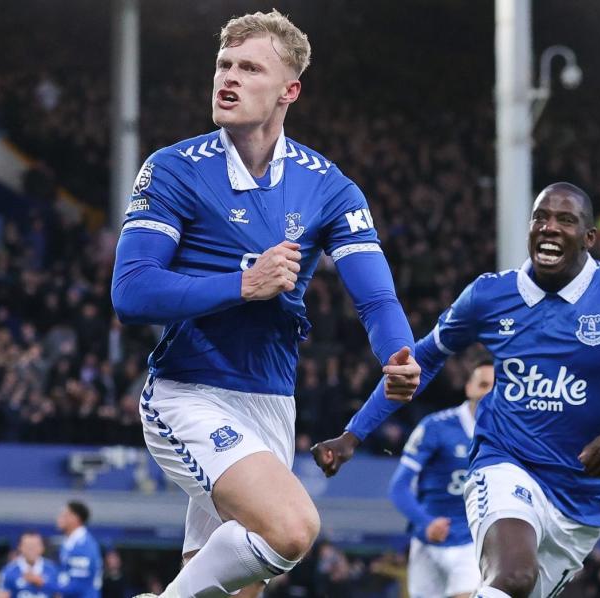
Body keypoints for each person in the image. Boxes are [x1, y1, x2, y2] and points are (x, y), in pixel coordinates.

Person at [112, 9, 421, 598]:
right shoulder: (175, 169)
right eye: (224, 64)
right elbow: (131, 293)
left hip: (272, 403)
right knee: (292, 528)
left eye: (249, 68)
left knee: (238, 588)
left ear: (289, 90)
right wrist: (241, 284)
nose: (228, 77)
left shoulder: (328, 185)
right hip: (190, 392)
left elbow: (376, 296)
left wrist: (397, 351)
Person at [312, 182, 600, 598]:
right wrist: (354, 434)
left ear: (589, 239)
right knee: (511, 576)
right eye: (540, 217)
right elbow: (419, 362)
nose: (549, 227)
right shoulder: (489, 295)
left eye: (565, 220)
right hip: (505, 460)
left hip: (583, 498)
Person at [389, 360, 493, 598]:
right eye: (483, 384)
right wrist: (425, 522)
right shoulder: (435, 427)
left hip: (472, 542)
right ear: (469, 387)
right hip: (428, 539)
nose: (488, 392)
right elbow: (399, 487)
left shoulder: (508, 435)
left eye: (494, 387)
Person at [30, 502, 101, 598]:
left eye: (64, 515)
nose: (59, 518)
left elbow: (78, 586)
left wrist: (43, 583)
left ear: (75, 518)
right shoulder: (70, 543)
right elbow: (66, 577)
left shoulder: (83, 546)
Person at [0, 531, 59, 598]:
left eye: (35, 546)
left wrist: (42, 583)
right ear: (20, 547)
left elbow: (58, 594)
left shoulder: (53, 569)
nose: (31, 549)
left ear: (42, 547)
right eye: (28, 546)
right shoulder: (8, 571)